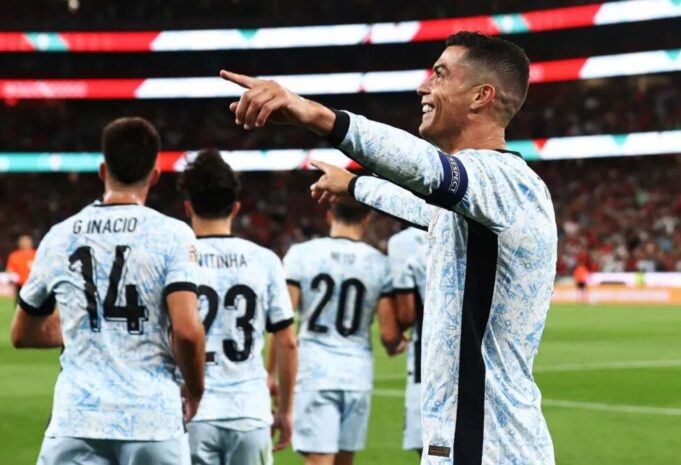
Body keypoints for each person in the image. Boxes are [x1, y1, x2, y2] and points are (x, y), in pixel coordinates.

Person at [220, 30, 557, 465]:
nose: (422, 87)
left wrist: (316, 116)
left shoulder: (506, 182)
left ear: (481, 97)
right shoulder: (481, 202)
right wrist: (358, 187)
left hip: (486, 445)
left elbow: (425, 170)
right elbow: (422, 206)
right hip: (471, 441)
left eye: (439, 74)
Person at [11, 117, 205, 465]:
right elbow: (188, 332)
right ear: (156, 175)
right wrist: (195, 389)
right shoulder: (174, 235)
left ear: (103, 170)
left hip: (77, 419)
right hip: (153, 419)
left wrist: (81, 327)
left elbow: (22, 333)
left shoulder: (59, 236)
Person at [177, 148, 298, 465]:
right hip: (249, 411)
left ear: (188, 207)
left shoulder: (174, 260)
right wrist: (285, 409)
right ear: (235, 207)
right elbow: (287, 341)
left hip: (190, 412)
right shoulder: (265, 260)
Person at [282, 199, 405, 465]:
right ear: (366, 219)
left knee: (318, 461)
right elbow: (389, 335)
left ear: (329, 215)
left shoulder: (301, 254)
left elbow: (283, 321)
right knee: (344, 462)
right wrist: (399, 342)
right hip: (356, 376)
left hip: (315, 372)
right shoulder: (379, 263)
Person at [387, 227, 428, 457]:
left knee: (431, 445)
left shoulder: (405, 246)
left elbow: (406, 315)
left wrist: (394, 332)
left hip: (428, 355)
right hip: (476, 354)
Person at [5, 234, 37, 300]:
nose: (24, 243)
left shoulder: (37, 254)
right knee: (20, 305)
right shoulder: (14, 255)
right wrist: (11, 277)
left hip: (34, 284)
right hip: (20, 285)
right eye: (22, 242)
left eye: (26, 241)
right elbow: (9, 270)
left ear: (31, 242)